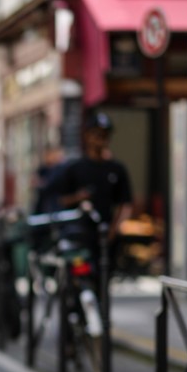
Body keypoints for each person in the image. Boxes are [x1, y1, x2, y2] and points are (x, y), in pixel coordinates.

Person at [56, 111, 133, 260]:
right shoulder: (75, 168)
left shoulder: (116, 169)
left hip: (106, 235)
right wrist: (78, 198)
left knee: (104, 277)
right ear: (87, 136)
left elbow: (125, 204)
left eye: (105, 135)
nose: (100, 140)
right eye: (96, 134)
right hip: (79, 235)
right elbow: (60, 200)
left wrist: (114, 230)